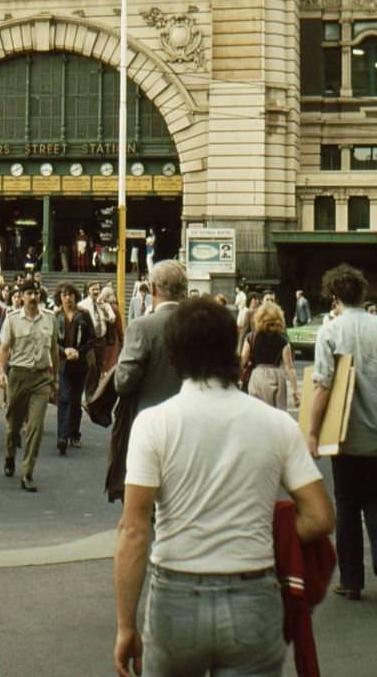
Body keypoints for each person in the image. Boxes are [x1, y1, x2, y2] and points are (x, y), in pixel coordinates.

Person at [114, 295, 335, 677]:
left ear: (174, 353)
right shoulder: (275, 424)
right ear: (232, 347)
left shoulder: (153, 424)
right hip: (253, 595)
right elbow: (319, 516)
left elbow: (133, 531)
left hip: (175, 596)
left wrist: (126, 625)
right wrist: (266, 527)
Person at [308, 263, 377, 601]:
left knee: (347, 506)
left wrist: (312, 432)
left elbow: (322, 384)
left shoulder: (331, 331)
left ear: (335, 297)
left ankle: (351, 581)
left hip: (346, 435)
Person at [0, 278, 59, 492]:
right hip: (19, 375)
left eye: (36, 293)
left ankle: (28, 472)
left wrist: (55, 377)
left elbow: (54, 349)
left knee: (36, 426)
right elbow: (4, 348)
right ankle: (10, 455)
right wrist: (1, 372)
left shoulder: (50, 318)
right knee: (13, 424)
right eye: (29, 294)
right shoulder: (12, 319)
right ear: (21, 297)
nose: (33, 297)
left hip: (41, 377)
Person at [115, 260, 185, 413]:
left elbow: (124, 380)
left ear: (152, 289)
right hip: (190, 419)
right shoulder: (201, 326)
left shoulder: (140, 327)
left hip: (149, 413)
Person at [55, 283, 95, 455]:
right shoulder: (55, 316)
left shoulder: (84, 315)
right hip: (63, 362)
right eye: (64, 294)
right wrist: (64, 351)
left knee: (76, 400)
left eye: (71, 294)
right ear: (60, 297)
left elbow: (92, 338)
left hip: (80, 363)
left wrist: (80, 352)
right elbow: (51, 340)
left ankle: (74, 433)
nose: (68, 298)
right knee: (64, 397)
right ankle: (62, 436)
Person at [240, 301, 300, 409]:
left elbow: (243, 360)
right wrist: (295, 391)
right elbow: (289, 367)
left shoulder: (251, 337)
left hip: (257, 376)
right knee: (277, 413)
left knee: (256, 411)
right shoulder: (283, 341)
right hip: (277, 376)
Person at [80, 281, 116, 374]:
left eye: (98, 289)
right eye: (93, 289)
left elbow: (112, 319)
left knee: (100, 366)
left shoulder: (104, 304)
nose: (96, 291)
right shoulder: (82, 305)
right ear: (88, 291)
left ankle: (96, 386)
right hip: (88, 340)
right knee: (91, 367)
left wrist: (104, 308)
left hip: (101, 340)